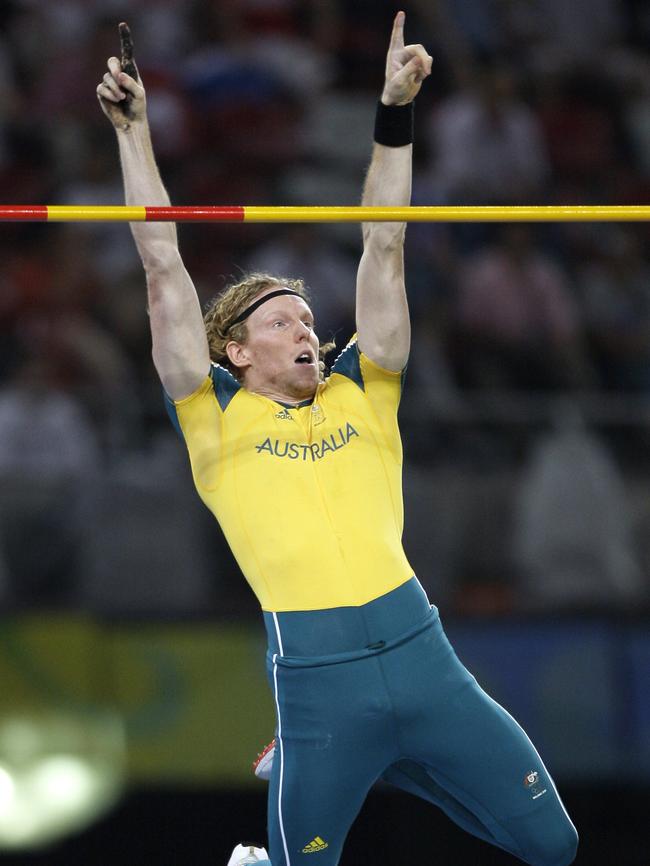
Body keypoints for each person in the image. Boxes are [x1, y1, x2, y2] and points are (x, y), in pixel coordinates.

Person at [97, 13, 578, 866]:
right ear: (236, 351)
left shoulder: (366, 388)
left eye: (310, 318)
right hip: (319, 685)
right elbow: (162, 263)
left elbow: (384, 242)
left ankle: (395, 763)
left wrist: (395, 110)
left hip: (424, 660)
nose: (307, 329)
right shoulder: (211, 414)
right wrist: (134, 131)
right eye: (282, 321)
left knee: (553, 846)